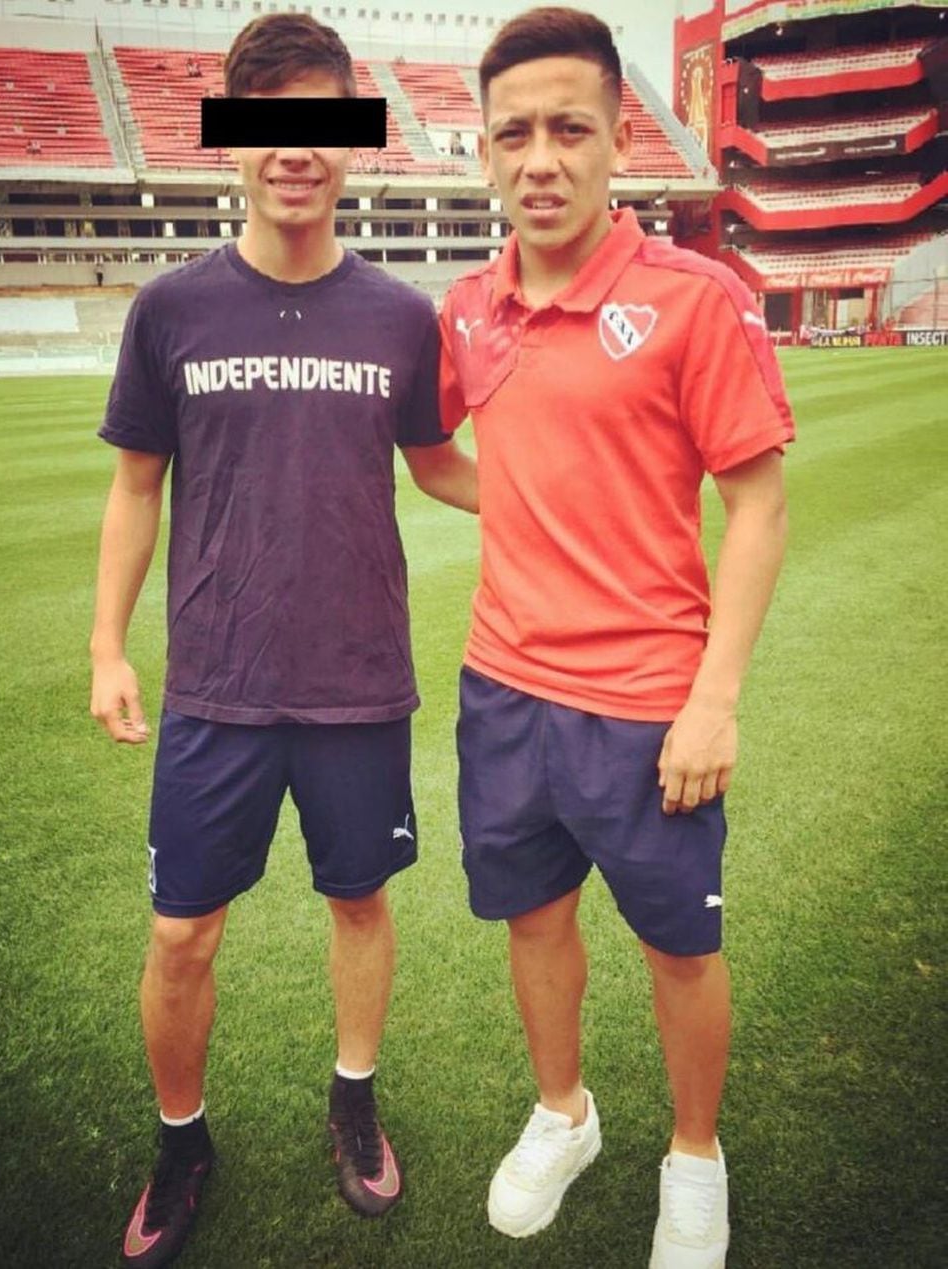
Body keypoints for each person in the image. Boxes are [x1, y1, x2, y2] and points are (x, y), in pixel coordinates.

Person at [90, 13, 477, 1268]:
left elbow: (439, 468)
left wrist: (574, 480)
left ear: (353, 142)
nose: (295, 152)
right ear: (233, 145)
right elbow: (135, 487)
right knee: (179, 934)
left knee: (359, 901)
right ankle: (182, 1143)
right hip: (218, 680)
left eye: (320, 124)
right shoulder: (172, 308)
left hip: (360, 680)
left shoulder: (400, 318)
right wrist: (107, 647)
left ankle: (352, 1106)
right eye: (268, 126)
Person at [438, 8, 793, 1266]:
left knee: (680, 945)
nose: (540, 157)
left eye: (568, 129)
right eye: (514, 134)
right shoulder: (468, 307)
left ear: (616, 138)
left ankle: (695, 1156)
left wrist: (715, 699)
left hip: (650, 701)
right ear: (483, 152)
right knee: (535, 922)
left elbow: (755, 504)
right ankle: (564, 1114)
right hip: (503, 692)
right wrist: (527, 497)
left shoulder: (692, 298)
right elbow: (438, 452)